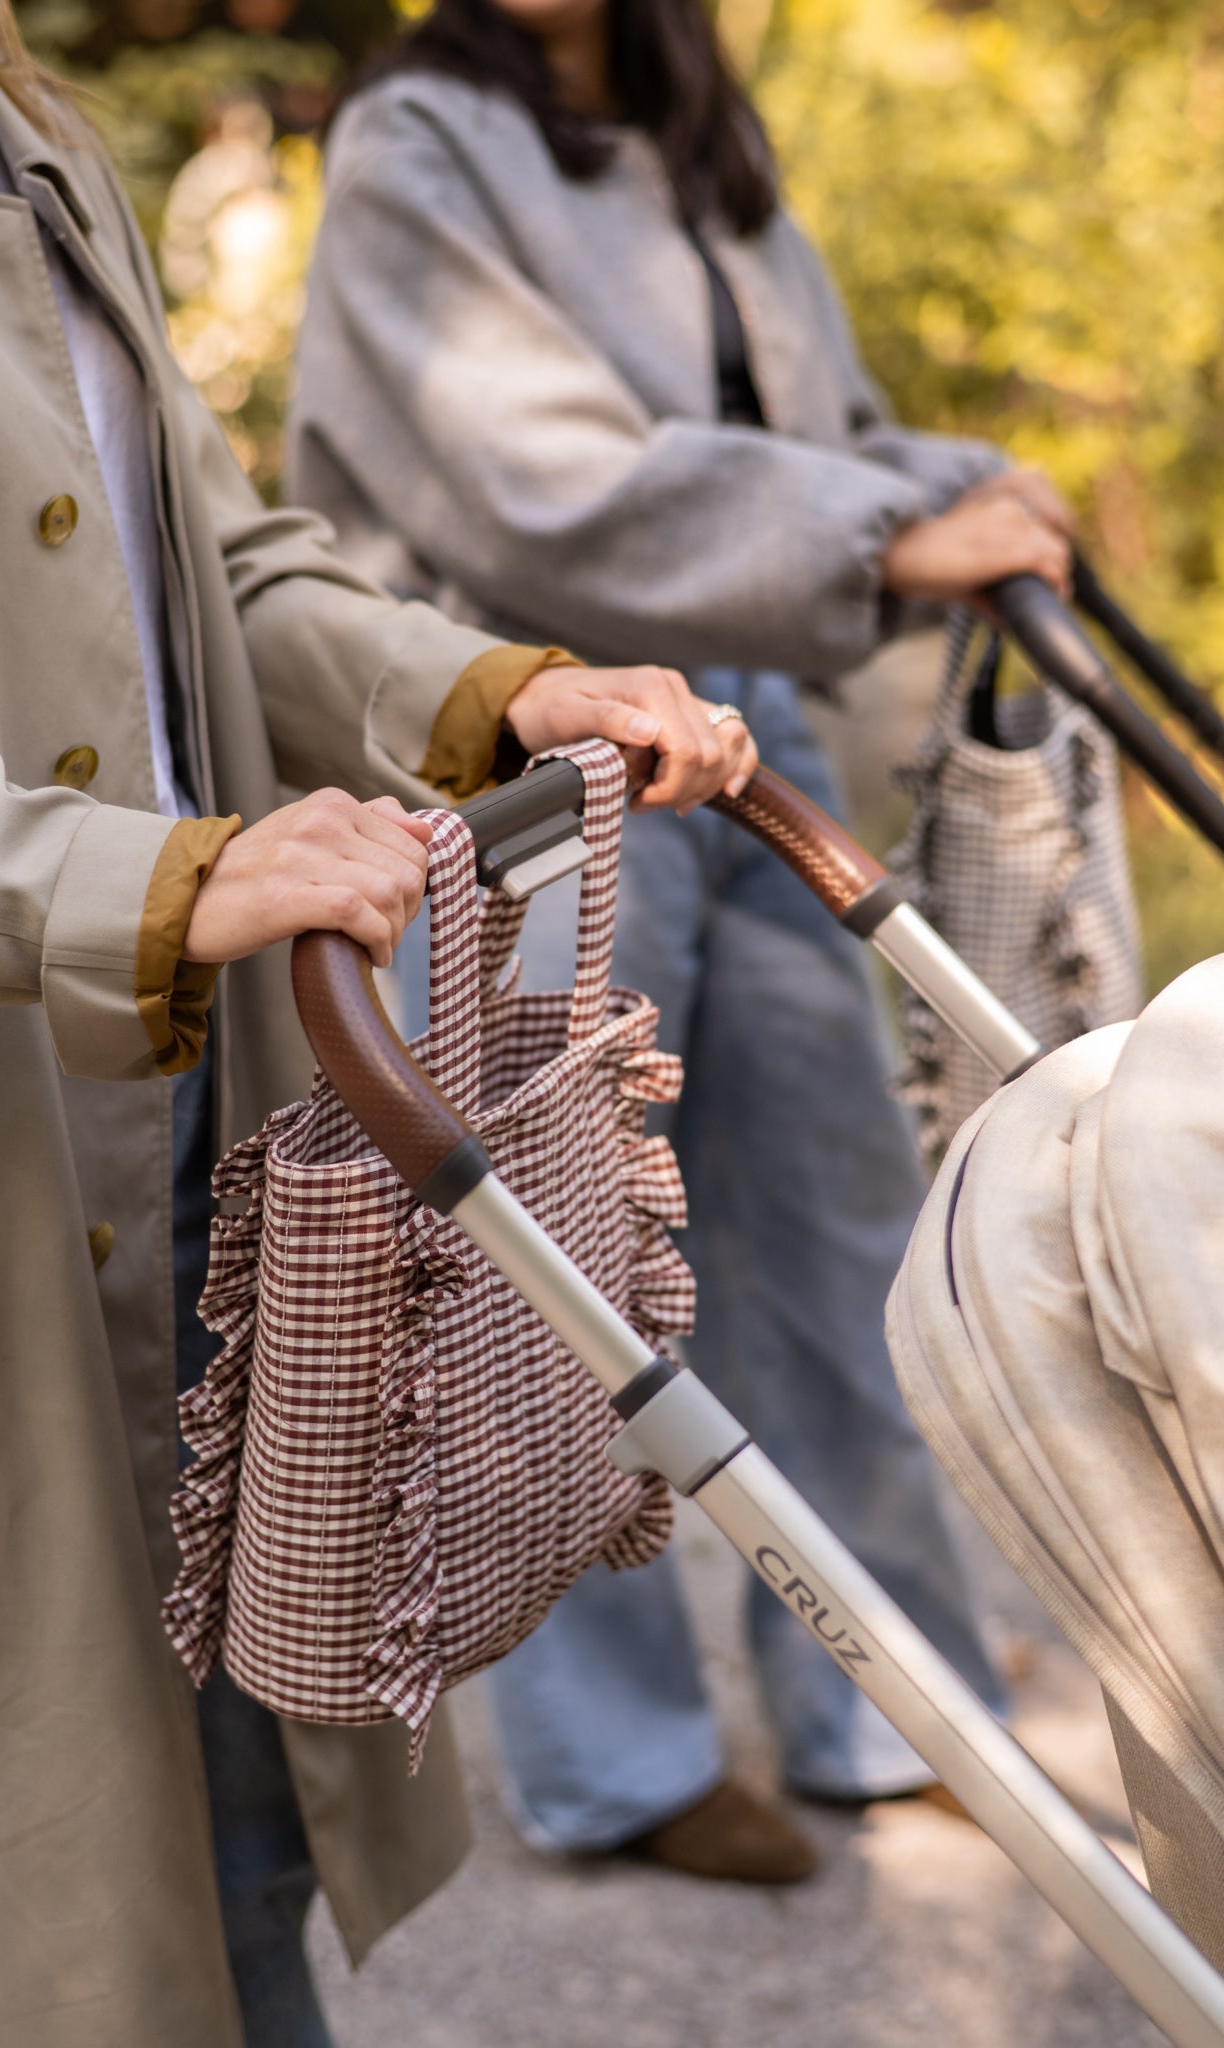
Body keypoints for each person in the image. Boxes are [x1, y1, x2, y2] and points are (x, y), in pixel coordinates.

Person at [0, 4, 757, 2041]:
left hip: (180, 1114)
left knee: (224, 1807)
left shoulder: (13, 127)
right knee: (5, 1896)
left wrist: (488, 692)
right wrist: (160, 883)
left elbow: (219, 563)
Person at [286, 0, 1075, 1885]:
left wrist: (958, 479)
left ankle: (892, 1714)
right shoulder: (411, 142)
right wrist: (895, 526)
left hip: (749, 733)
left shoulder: (700, 143)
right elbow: (535, 473)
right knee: (549, 1267)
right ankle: (616, 1766)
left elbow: (806, 435)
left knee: (841, 1239)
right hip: (531, 734)